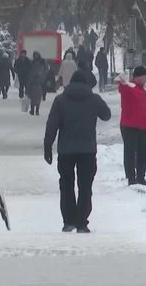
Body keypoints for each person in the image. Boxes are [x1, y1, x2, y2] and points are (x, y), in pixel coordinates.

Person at [44, 71, 112, 233]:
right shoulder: (93, 99)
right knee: (85, 186)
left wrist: (47, 146)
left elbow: (52, 125)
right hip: (87, 150)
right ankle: (82, 222)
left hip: (66, 150)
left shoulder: (60, 100)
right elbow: (107, 115)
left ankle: (69, 221)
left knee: (66, 185)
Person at [116, 66, 146, 186]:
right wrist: (122, 82)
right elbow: (123, 88)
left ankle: (141, 177)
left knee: (143, 152)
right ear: (138, 76)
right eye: (144, 76)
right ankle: (131, 178)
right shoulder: (130, 87)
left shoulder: (142, 90)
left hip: (143, 127)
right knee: (130, 152)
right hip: (130, 125)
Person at [27, 51, 48, 115]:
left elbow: (43, 72)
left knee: (35, 97)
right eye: (34, 55)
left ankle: (35, 110)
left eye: (36, 55)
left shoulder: (40, 63)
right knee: (34, 97)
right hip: (35, 83)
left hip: (37, 83)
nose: (35, 56)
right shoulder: (38, 63)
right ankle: (34, 110)